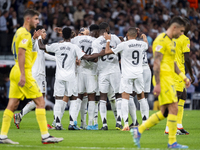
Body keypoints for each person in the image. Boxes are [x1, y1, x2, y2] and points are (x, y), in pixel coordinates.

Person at [0, 9, 63, 144]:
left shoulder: (19, 33)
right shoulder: (24, 33)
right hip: (25, 72)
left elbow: (21, 51)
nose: (38, 22)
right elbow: (21, 53)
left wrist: (33, 39)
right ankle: (45, 136)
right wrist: (23, 74)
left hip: (16, 70)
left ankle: (2, 136)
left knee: (12, 104)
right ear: (28, 19)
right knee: (40, 102)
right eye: (36, 19)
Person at [131, 16, 190, 148]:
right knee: (174, 108)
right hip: (163, 80)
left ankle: (138, 130)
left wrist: (183, 77)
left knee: (164, 112)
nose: (182, 34)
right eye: (181, 31)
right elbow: (156, 63)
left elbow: (173, 62)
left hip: (169, 79)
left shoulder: (172, 42)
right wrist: (157, 84)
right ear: (174, 27)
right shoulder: (161, 40)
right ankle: (172, 142)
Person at [38, 27, 103, 130]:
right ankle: (72, 123)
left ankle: (58, 123)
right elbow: (86, 57)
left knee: (58, 99)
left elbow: (41, 46)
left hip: (59, 76)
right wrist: (100, 54)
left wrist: (38, 37)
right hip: (71, 77)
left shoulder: (56, 46)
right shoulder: (74, 47)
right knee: (73, 99)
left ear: (62, 35)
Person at [103, 27, 148, 131]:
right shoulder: (141, 44)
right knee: (142, 97)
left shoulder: (123, 45)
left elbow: (107, 51)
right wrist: (144, 37)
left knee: (125, 98)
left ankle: (126, 124)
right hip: (138, 74)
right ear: (136, 35)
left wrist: (108, 40)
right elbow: (146, 44)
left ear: (127, 35)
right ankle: (145, 123)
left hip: (127, 75)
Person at [13, 25, 56, 129]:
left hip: (41, 75)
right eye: (44, 32)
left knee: (40, 100)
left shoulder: (40, 44)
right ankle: (42, 123)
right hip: (37, 75)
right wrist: (34, 37)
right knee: (40, 100)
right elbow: (30, 46)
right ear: (39, 32)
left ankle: (19, 115)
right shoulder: (36, 42)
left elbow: (44, 55)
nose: (46, 34)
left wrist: (58, 58)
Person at [164, 18, 194, 135]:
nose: (190, 28)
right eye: (188, 26)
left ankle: (179, 126)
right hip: (177, 72)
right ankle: (169, 128)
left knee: (183, 96)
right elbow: (187, 58)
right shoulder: (184, 39)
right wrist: (191, 74)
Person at [92, 22, 122, 130]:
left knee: (103, 97)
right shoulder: (115, 38)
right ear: (107, 28)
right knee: (118, 95)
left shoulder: (95, 42)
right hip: (114, 71)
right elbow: (120, 52)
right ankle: (119, 121)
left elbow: (95, 57)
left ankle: (104, 124)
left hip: (102, 72)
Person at [71, 24, 99, 130]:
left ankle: (73, 122)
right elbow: (96, 58)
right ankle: (90, 124)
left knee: (78, 97)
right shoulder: (95, 41)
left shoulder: (76, 39)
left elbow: (68, 45)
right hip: (91, 71)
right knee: (91, 97)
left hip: (79, 70)